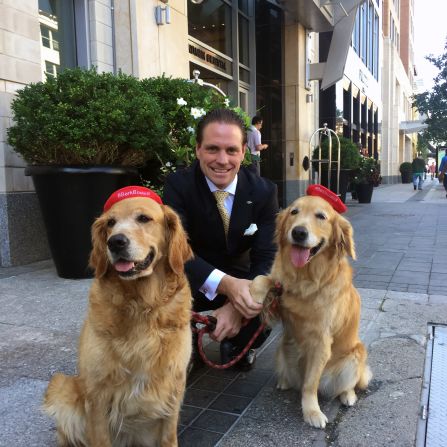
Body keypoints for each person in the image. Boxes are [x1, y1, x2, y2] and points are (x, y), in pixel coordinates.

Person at [164, 109, 279, 371]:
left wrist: (238, 306)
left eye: (231, 150)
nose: (222, 160)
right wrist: (227, 286)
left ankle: (241, 342)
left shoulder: (264, 192)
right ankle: (186, 339)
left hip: (243, 276)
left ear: (243, 151)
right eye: (212, 149)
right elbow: (176, 250)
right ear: (198, 150)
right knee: (156, 285)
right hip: (193, 276)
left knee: (275, 292)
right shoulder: (178, 186)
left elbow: (268, 256)